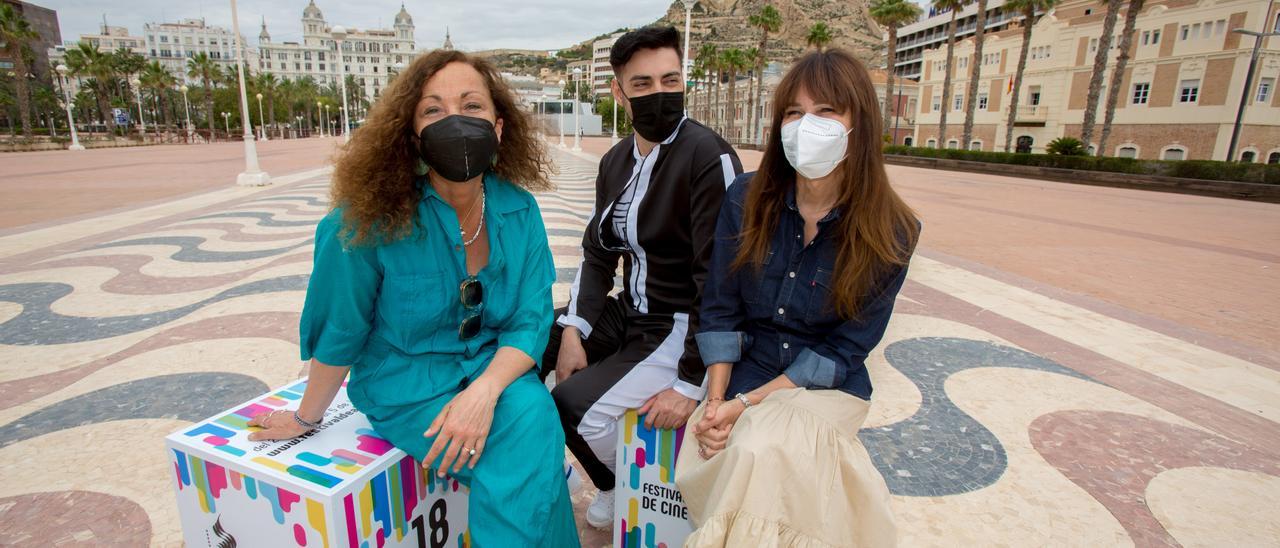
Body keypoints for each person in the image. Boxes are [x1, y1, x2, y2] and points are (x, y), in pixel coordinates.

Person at [246, 49, 579, 546]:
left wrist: (483, 393)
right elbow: (342, 329)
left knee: (531, 420)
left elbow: (530, 320)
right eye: (433, 110)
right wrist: (304, 416)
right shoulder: (362, 222)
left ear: (499, 126)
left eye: (471, 106)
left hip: (495, 371)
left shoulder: (519, 208)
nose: (455, 121)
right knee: (530, 452)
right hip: (406, 384)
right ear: (412, 135)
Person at [674, 48, 920, 547]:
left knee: (761, 451)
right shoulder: (746, 198)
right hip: (745, 368)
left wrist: (744, 406)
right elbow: (720, 306)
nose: (807, 125)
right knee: (742, 456)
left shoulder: (893, 229)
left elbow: (844, 350)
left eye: (827, 111)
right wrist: (717, 402)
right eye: (794, 112)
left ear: (859, 124)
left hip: (826, 389)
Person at [540, 25, 743, 528]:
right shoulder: (615, 161)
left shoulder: (707, 157)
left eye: (670, 80)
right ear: (618, 91)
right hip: (630, 311)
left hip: (677, 322)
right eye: (643, 83)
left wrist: (691, 382)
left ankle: (621, 485)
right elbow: (597, 253)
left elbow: (720, 278)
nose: (659, 94)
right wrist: (573, 330)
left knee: (573, 405)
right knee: (525, 350)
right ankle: (541, 467)